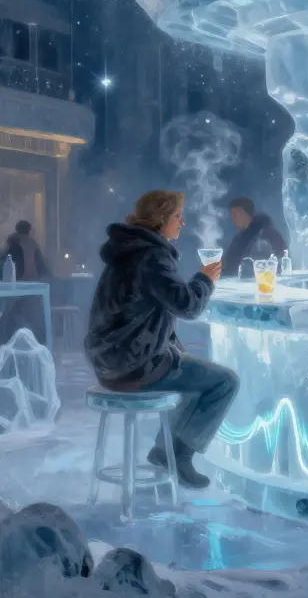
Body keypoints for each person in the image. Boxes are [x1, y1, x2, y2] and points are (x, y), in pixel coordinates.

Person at [83, 190, 237, 489]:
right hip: (133, 365)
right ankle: (179, 456)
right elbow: (187, 306)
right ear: (160, 219)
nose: (182, 222)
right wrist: (205, 280)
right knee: (225, 382)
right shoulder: (153, 256)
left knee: (189, 375)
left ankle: (163, 451)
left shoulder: (128, 251)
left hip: (110, 361)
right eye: (178, 216)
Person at [222, 197, 288, 276]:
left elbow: (277, 265)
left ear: (245, 214)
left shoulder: (267, 234)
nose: (233, 220)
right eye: (232, 216)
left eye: (235, 215)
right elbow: (228, 264)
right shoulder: (239, 238)